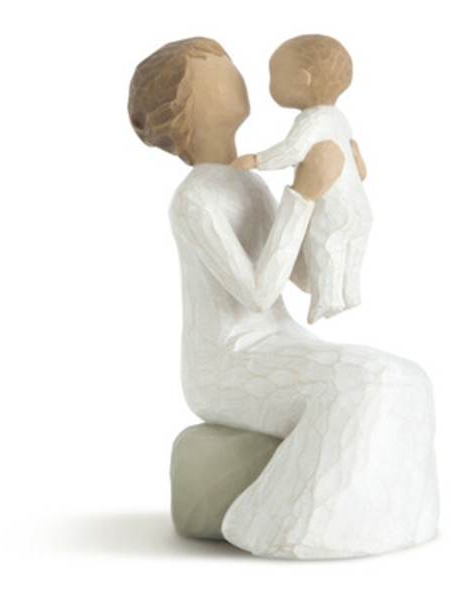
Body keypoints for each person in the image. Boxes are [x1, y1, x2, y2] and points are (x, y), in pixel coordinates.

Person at [128, 37, 438, 559]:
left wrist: (337, 196)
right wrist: (302, 194)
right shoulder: (195, 198)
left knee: (406, 376)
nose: (234, 71)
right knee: (365, 382)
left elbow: (300, 278)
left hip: (279, 342)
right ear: (184, 107)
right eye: (215, 70)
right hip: (227, 362)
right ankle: (272, 525)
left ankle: (391, 520)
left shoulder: (248, 185)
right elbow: (257, 293)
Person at [233, 35, 372, 323]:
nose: (271, 84)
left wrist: (258, 160)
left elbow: (293, 150)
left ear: (302, 79)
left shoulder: (311, 119)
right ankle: (350, 293)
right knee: (350, 247)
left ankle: (326, 301)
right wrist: (359, 170)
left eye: (275, 75)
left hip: (333, 205)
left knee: (326, 246)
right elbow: (355, 157)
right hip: (358, 203)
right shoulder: (339, 118)